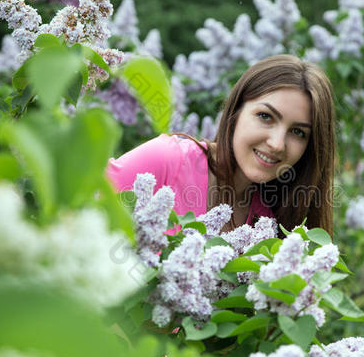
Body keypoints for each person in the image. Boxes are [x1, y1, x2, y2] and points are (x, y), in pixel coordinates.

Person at [106, 54, 336, 235]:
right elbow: (78, 208)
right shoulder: (166, 160)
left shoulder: (267, 226)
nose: (277, 144)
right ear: (236, 111)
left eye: (298, 132)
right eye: (266, 116)